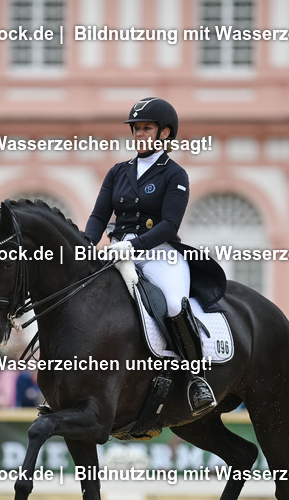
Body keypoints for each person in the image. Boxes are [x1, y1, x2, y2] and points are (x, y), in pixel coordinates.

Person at [83, 96, 226, 417]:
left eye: (146, 128)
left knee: (174, 304)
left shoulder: (175, 175)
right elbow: (97, 216)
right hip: (118, 252)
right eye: (136, 129)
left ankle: (195, 379)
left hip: (160, 254)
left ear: (164, 133)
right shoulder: (118, 172)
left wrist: (133, 246)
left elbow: (168, 225)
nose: (139, 134)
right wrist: (86, 244)